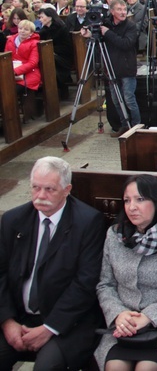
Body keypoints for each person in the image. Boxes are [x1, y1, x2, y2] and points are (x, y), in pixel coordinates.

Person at [0, 157, 105, 370]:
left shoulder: (87, 222)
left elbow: (85, 283)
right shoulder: (13, 220)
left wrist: (49, 327)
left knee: (47, 366)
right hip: (17, 316)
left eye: (49, 189)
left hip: (66, 321)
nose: (40, 196)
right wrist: (7, 321)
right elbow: (0, 273)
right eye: (35, 188)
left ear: (67, 189)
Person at [95, 174, 157, 371]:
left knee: (146, 368)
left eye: (140, 199)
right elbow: (105, 284)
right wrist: (119, 314)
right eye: (127, 200)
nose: (132, 207)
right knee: (115, 367)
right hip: (123, 325)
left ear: (156, 201)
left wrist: (148, 316)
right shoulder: (114, 235)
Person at [81, 0, 141, 136]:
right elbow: (99, 39)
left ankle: (137, 127)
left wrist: (107, 33)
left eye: (124, 9)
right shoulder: (106, 24)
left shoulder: (130, 26)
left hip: (126, 68)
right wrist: (90, 34)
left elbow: (126, 44)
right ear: (112, 11)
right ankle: (124, 125)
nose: (123, 12)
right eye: (119, 10)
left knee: (129, 99)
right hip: (111, 68)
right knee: (115, 100)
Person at [38, 7, 74, 98]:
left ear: (50, 17)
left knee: (48, 61)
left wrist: (51, 50)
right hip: (50, 55)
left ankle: (53, 91)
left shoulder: (61, 28)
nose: (40, 19)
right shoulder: (43, 31)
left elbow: (67, 48)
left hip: (63, 57)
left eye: (42, 17)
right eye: (39, 18)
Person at [5, 20, 41, 100]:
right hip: (11, 71)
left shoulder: (34, 43)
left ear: (31, 33)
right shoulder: (10, 40)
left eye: (26, 29)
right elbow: (6, 58)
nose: (22, 31)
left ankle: (13, 111)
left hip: (30, 73)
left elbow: (33, 63)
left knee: (10, 91)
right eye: (20, 28)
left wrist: (15, 71)